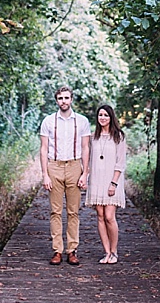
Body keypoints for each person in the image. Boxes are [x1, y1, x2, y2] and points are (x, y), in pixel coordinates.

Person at [39, 85, 90, 266]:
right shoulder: (48, 121)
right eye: (60, 98)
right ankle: (57, 250)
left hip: (75, 165)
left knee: (73, 211)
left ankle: (72, 250)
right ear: (56, 100)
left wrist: (85, 173)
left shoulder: (82, 121)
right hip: (54, 166)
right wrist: (45, 174)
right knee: (55, 210)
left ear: (71, 99)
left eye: (66, 98)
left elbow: (85, 148)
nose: (64, 101)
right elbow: (44, 149)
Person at [84, 104, 127, 264]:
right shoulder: (93, 137)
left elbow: (120, 163)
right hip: (96, 180)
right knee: (100, 216)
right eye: (100, 115)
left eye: (106, 115)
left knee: (110, 216)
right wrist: (84, 176)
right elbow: (87, 159)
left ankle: (114, 251)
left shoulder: (119, 136)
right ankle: (107, 252)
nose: (102, 118)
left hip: (111, 180)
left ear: (111, 117)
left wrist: (114, 183)